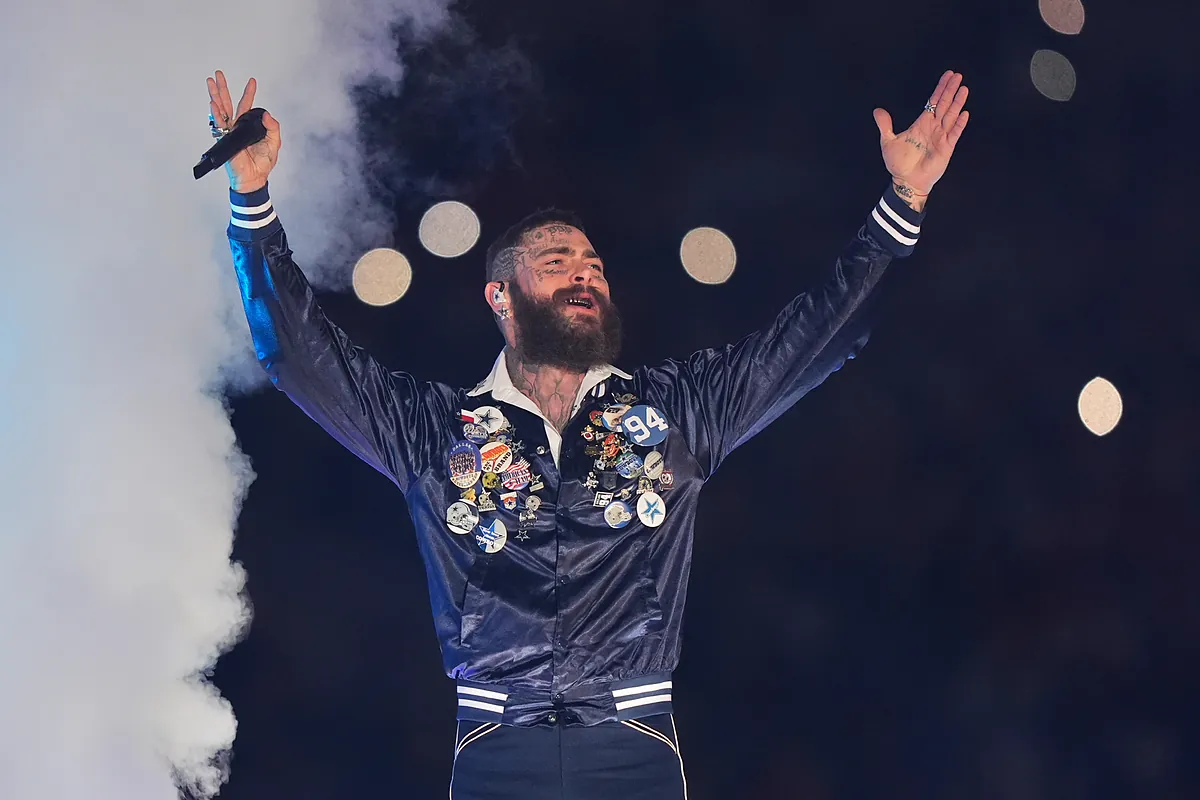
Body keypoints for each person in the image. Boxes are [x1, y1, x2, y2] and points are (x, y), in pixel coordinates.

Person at [207, 68, 970, 799]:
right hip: (494, 753)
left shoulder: (674, 415)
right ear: (501, 297)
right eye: (557, 260)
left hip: (632, 751)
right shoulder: (434, 432)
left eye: (595, 265)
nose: (585, 273)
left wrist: (902, 202)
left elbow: (811, 340)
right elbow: (299, 356)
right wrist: (252, 199)